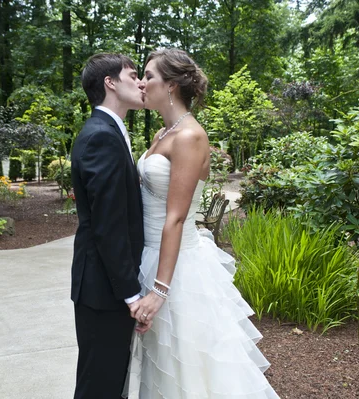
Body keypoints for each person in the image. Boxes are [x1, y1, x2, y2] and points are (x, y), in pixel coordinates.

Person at [124, 49, 279, 398]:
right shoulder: (162, 134)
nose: (142, 82)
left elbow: (177, 217)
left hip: (177, 269)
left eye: (149, 75)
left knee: (186, 366)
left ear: (172, 85)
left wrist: (160, 291)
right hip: (149, 254)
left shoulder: (191, 136)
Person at [70, 53, 150, 399]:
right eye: (133, 76)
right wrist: (131, 294)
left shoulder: (109, 131)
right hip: (104, 289)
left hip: (105, 285)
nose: (141, 83)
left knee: (110, 379)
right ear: (110, 83)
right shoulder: (101, 136)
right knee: (98, 386)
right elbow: (108, 224)